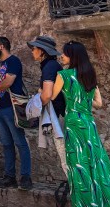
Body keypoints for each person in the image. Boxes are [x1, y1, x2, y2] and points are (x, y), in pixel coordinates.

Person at [52, 41, 110, 207]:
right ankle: (107, 199)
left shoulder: (63, 75)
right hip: (88, 123)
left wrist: (39, 92)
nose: (61, 56)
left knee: (78, 163)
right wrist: (84, 99)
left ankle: (86, 203)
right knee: (96, 162)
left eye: (64, 54)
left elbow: (52, 96)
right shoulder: (89, 74)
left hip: (73, 123)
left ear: (72, 56)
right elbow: (99, 103)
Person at [0, 36, 33, 190]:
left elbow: (8, 81)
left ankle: (26, 177)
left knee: (20, 142)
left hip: (11, 107)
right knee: (6, 143)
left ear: (1, 47)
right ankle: (9, 176)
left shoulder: (13, 61)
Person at [28, 35, 67, 175]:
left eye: (34, 49)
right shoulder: (50, 65)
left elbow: (47, 95)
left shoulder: (49, 67)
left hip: (59, 116)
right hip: (59, 114)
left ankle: (77, 191)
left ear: (42, 51)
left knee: (65, 157)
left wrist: (32, 109)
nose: (32, 51)